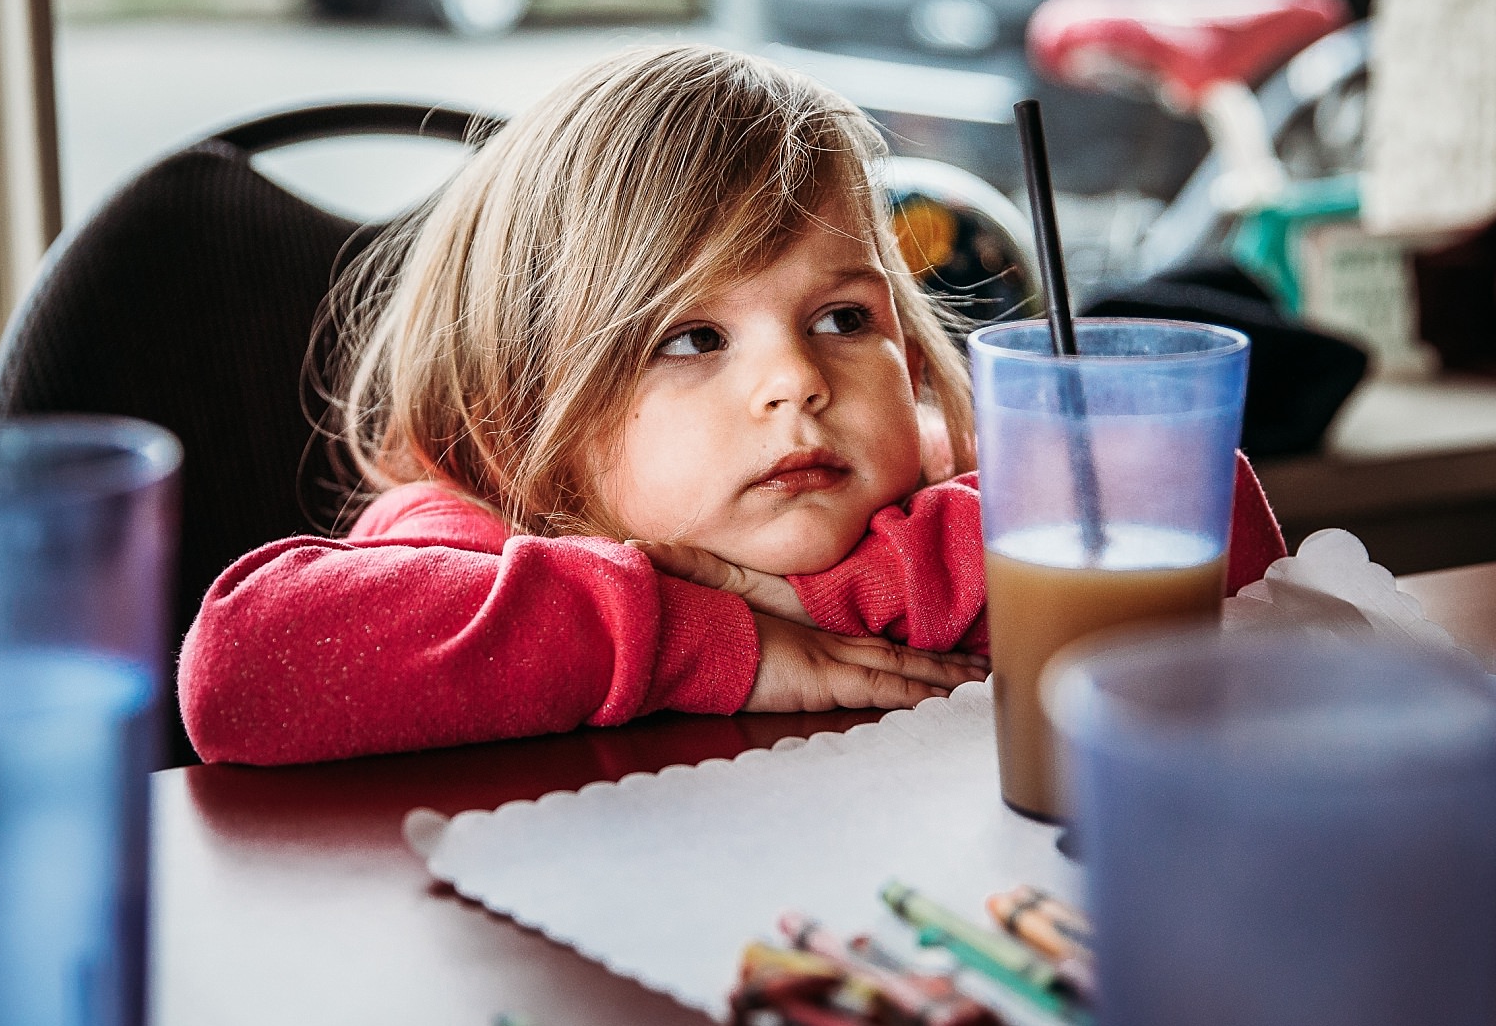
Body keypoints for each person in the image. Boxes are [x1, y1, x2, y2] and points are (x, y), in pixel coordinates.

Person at [178, 45, 1286, 765]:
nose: (795, 378)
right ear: (513, 418)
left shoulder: (918, 485)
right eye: (693, 338)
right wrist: (700, 638)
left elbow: (1220, 525)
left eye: (844, 318)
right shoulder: (476, 527)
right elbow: (241, 669)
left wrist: (853, 586)